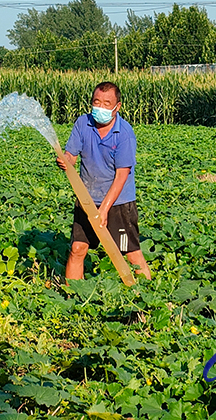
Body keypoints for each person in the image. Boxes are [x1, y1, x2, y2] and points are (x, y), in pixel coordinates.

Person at [56, 81, 151, 281]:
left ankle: (146, 296)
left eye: (107, 103)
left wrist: (104, 210)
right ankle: (72, 298)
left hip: (118, 203)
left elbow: (122, 176)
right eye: (96, 102)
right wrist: (66, 160)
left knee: (130, 252)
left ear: (118, 106)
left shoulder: (124, 133)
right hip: (87, 199)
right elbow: (71, 154)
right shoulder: (83, 123)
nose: (101, 107)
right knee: (77, 248)